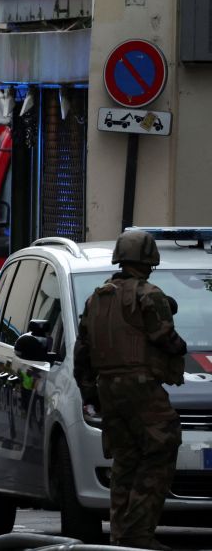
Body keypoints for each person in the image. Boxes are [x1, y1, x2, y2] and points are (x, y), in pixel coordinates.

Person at [73, 229, 187, 550]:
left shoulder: (96, 298)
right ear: (149, 259)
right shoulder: (148, 294)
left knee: (125, 460)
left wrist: (89, 394)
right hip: (141, 388)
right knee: (161, 449)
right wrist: (181, 348)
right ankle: (138, 535)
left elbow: (81, 354)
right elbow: (166, 338)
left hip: (108, 390)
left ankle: (121, 536)